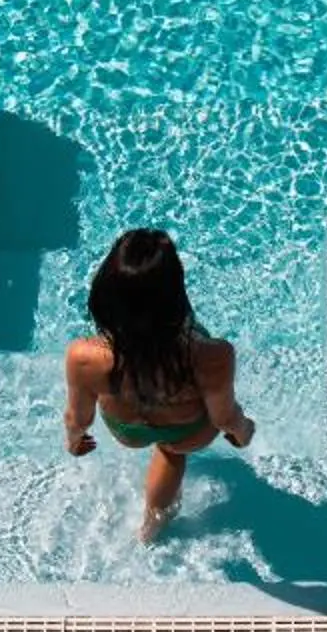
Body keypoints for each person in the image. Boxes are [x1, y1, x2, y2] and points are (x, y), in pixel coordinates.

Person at [62, 228, 254, 542]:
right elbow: (224, 419)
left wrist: (74, 441)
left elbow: (77, 418)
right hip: (186, 431)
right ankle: (151, 529)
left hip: (127, 430)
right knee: (171, 454)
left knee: (159, 446)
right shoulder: (212, 355)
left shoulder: (83, 357)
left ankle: (149, 533)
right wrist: (244, 432)